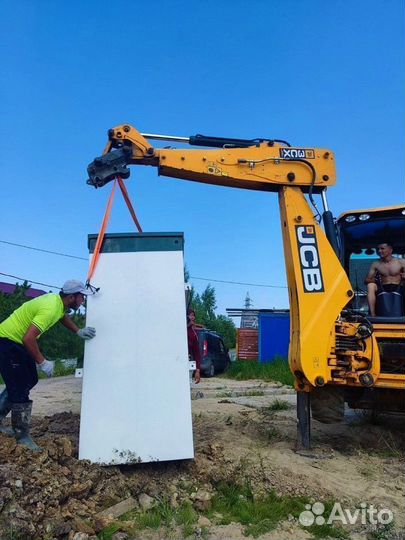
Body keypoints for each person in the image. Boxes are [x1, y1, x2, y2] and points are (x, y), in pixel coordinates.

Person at [0, 280, 96, 451]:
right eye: (81, 297)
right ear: (72, 297)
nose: (83, 301)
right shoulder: (51, 308)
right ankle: (22, 436)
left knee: (30, 379)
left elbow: (62, 317)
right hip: (8, 342)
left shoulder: (58, 304)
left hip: (17, 343)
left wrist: (78, 331)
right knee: (20, 389)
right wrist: (42, 361)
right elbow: (28, 338)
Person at [365, 243, 405, 316]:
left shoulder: (401, 262)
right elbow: (367, 280)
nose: (379, 251)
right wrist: (375, 280)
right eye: (378, 249)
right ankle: (373, 315)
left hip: (399, 287)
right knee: (370, 286)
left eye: (382, 248)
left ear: (390, 250)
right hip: (383, 287)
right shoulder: (376, 264)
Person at [187, 309, 201, 384]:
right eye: (190, 315)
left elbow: (197, 353)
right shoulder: (181, 330)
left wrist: (197, 370)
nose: (192, 317)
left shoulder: (194, 333)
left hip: (188, 363)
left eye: (193, 315)